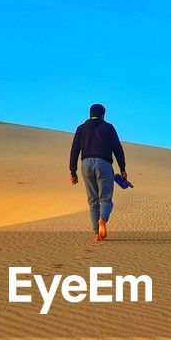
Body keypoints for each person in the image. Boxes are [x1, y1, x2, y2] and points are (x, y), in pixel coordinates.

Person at [69, 103, 127, 241]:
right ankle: (102, 220)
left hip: (86, 164)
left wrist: (73, 172)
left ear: (90, 114)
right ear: (103, 114)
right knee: (106, 199)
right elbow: (117, 148)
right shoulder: (108, 127)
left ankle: (97, 233)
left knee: (93, 201)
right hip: (104, 164)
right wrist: (122, 168)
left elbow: (74, 150)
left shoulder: (81, 128)